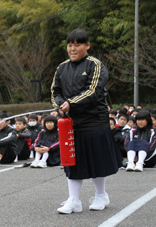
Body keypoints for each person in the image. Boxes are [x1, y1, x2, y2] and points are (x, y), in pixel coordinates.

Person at [51, 29, 121, 214]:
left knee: (96, 159)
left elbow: (93, 91)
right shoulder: (61, 67)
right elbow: (55, 91)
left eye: (77, 45)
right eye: (70, 45)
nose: (72, 49)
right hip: (71, 122)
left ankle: (101, 195)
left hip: (94, 120)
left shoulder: (95, 65)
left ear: (87, 46)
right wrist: (60, 104)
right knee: (71, 160)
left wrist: (70, 103)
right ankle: (74, 200)